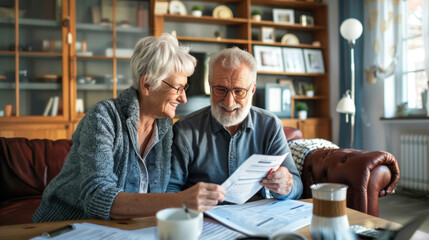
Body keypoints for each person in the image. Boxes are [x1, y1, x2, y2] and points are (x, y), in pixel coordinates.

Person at [32, 34, 225, 223]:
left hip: (122, 228)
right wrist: (179, 201)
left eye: (185, 88)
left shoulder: (164, 126)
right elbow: (98, 196)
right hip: (66, 225)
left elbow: (161, 191)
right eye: (177, 88)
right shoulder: (104, 117)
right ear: (147, 84)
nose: (183, 98)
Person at [167, 47, 303, 201]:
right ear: (210, 86)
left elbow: (297, 186)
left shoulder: (270, 125)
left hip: (255, 219)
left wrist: (286, 186)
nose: (229, 102)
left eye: (239, 91)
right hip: (203, 218)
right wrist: (187, 200)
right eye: (220, 90)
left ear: (252, 90)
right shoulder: (185, 130)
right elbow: (170, 190)